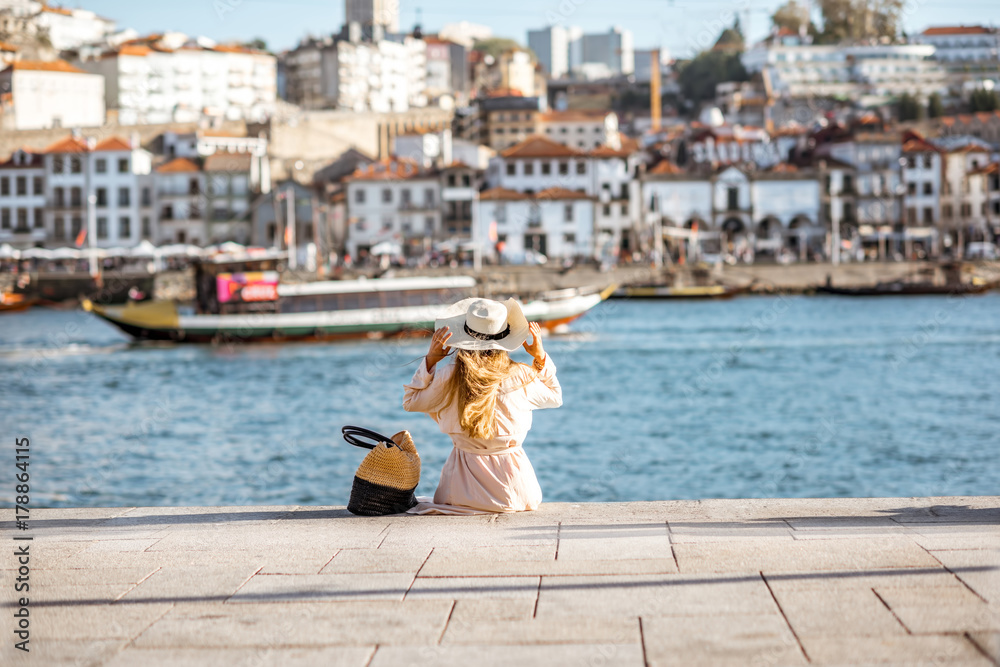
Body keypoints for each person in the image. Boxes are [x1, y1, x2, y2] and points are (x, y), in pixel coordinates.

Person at [402, 298, 562, 514]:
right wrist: (539, 357)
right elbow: (555, 396)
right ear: (505, 340)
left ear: (463, 338)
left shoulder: (448, 376)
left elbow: (411, 402)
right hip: (515, 492)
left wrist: (432, 359)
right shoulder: (521, 376)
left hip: (459, 492)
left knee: (437, 404)